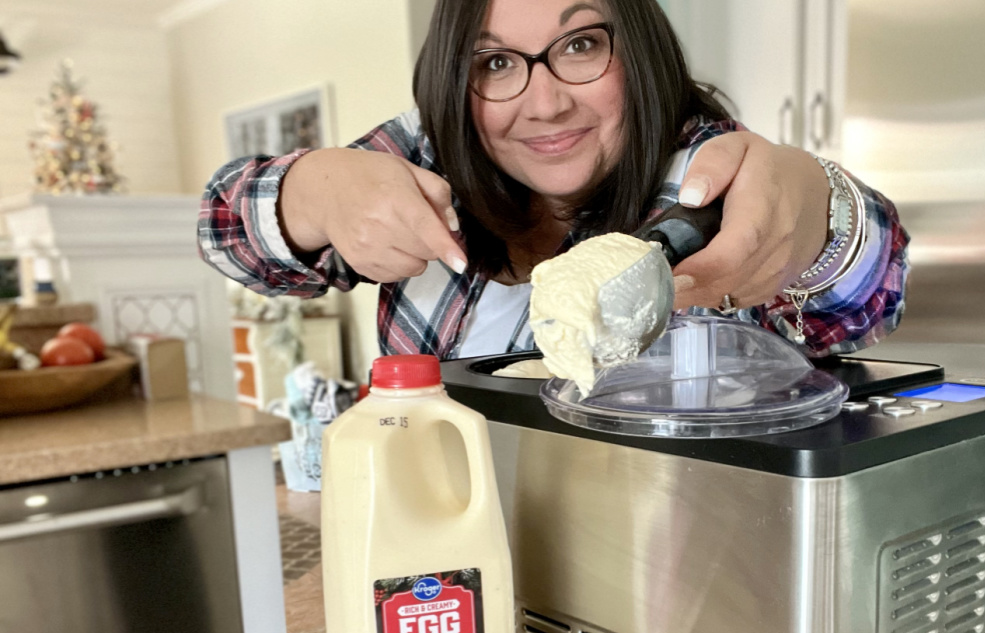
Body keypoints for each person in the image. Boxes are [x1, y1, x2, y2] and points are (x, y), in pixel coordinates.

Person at [199, 0, 909, 364]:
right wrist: (312, 191)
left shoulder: (707, 179)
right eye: (496, 64)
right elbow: (224, 229)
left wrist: (819, 203)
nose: (544, 104)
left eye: (580, 45)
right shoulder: (427, 153)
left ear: (639, 49)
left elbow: (871, 297)